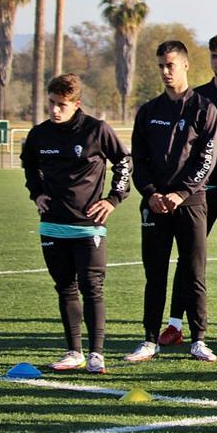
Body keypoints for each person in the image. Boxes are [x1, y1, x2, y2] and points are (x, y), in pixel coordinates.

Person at [21, 74, 131, 374]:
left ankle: (96, 355)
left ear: (76, 104)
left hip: (88, 226)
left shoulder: (97, 130)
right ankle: (74, 352)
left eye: (62, 105)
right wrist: (37, 193)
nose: (56, 110)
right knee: (65, 288)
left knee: (91, 288)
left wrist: (113, 199)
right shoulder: (39, 134)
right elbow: (28, 163)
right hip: (52, 226)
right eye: (52, 104)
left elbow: (123, 162)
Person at [126, 40, 217, 363]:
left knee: (194, 272)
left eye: (171, 65)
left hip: (191, 203)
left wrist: (181, 193)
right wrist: (151, 193)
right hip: (154, 205)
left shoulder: (203, 109)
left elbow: (206, 160)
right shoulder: (149, 111)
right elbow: (138, 159)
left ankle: (198, 339)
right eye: (161, 66)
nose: (166, 72)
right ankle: (150, 339)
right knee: (155, 274)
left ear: (185, 66)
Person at [159, 33, 217, 348]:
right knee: (189, 257)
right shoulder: (197, 97)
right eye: (214, 56)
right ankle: (174, 324)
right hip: (196, 192)